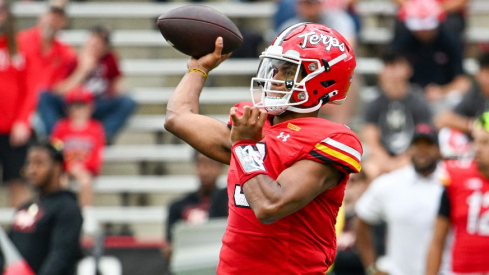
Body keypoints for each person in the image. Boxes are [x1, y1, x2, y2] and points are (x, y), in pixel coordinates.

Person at [164, 23, 362, 273]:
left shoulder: (332, 138)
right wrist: (198, 68)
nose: (275, 79)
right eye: (275, 69)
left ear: (321, 80)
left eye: (288, 72)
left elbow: (270, 206)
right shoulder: (255, 125)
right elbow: (177, 117)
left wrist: (245, 144)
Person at [355, 123, 445, 275]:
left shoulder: (451, 183)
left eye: (428, 145)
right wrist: (372, 268)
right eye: (417, 145)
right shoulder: (390, 183)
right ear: (410, 149)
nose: (422, 150)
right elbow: (361, 221)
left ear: (438, 149)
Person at [38, 25, 135, 143]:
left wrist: (117, 71)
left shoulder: (109, 60)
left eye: (100, 43)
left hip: (96, 104)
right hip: (74, 103)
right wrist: (82, 70)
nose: (96, 46)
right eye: (94, 42)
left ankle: (101, 136)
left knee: (128, 102)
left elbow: (118, 90)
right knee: (44, 97)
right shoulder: (73, 58)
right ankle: (55, 138)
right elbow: (60, 90)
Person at [426, 112, 489, 275]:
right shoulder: (456, 178)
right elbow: (437, 240)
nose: (477, 149)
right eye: (476, 141)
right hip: (461, 271)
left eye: (485, 142)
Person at [8, 142, 83, 275]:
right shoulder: (25, 207)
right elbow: (8, 248)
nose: (32, 170)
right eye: (29, 163)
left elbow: (61, 256)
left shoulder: (67, 207)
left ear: (57, 167)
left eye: (39, 163)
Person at [361, 48, 432, 181]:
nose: (392, 72)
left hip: (412, 158)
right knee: (369, 171)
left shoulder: (419, 102)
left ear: (408, 69)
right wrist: (387, 163)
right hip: (381, 159)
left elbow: (423, 138)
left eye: (397, 65)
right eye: (388, 66)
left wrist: (402, 161)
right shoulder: (374, 103)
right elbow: (370, 138)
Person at [391, 0, 470, 114]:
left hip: (442, 99)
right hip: (410, 99)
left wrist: (441, 91)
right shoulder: (403, 43)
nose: (423, 32)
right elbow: (390, 76)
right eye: (419, 28)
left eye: (427, 27)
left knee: (455, 99)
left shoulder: (450, 41)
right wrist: (408, 89)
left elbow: (463, 82)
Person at [51, 86, 105, 234]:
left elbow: (96, 155)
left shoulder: (96, 128)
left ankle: (87, 216)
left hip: (84, 170)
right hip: (66, 168)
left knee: (85, 181)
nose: (78, 110)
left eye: (82, 105)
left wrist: (82, 167)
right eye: (75, 106)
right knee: (61, 183)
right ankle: (59, 215)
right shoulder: (61, 127)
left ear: (90, 107)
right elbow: (56, 150)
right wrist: (68, 166)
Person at [163, 151, 227, 264]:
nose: (205, 170)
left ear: (220, 167)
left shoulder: (228, 203)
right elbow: (169, 248)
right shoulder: (178, 206)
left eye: (211, 163)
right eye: (200, 163)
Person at [0, 0, 33, 207]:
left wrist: (22, 120)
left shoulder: (19, 47)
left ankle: (23, 236)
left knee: (18, 183)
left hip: (13, 130)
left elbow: (30, 90)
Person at [17, 4, 76, 117]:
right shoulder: (20, 41)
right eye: (50, 17)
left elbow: (59, 87)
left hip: (43, 105)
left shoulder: (65, 53)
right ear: (41, 18)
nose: (52, 22)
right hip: (19, 100)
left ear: (63, 23)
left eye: (57, 19)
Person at [435, 52, 489, 134]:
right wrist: (472, 125)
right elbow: (443, 119)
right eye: (484, 72)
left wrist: (470, 125)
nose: (485, 78)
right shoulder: (475, 93)